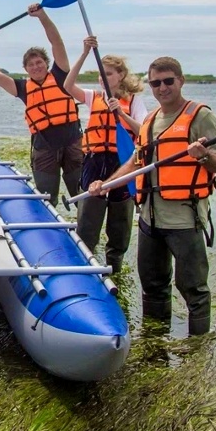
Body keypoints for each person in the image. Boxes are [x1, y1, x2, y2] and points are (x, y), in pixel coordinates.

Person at [86, 56, 216, 335]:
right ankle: (155, 343)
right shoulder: (149, 120)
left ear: (180, 81)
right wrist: (107, 183)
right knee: (152, 285)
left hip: (184, 219)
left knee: (193, 288)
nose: (162, 88)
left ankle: (198, 348)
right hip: (150, 218)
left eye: (168, 81)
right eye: (155, 83)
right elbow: (135, 162)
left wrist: (205, 156)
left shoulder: (201, 116)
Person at [0, 4, 82, 206]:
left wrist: (42, 16)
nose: (36, 67)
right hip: (44, 146)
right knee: (46, 199)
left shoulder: (61, 75)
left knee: (81, 195)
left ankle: (85, 234)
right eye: (31, 64)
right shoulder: (22, 87)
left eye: (39, 62)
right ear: (25, 68)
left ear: (46, 63)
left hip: (72, 143)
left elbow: (56, 42)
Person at [63, 36, 148, 275]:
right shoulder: (93, 97)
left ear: (120, 75)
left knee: (119, 221)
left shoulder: (134, 101)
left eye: (108, 74)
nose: (103, 79)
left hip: (123, 161)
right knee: (88, 218)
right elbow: (68, 86)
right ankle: (84, 265)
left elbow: (143, 131)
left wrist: (121, 113)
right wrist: (84, 54)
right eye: (101, 75)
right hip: (94, 161)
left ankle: (114, 267)